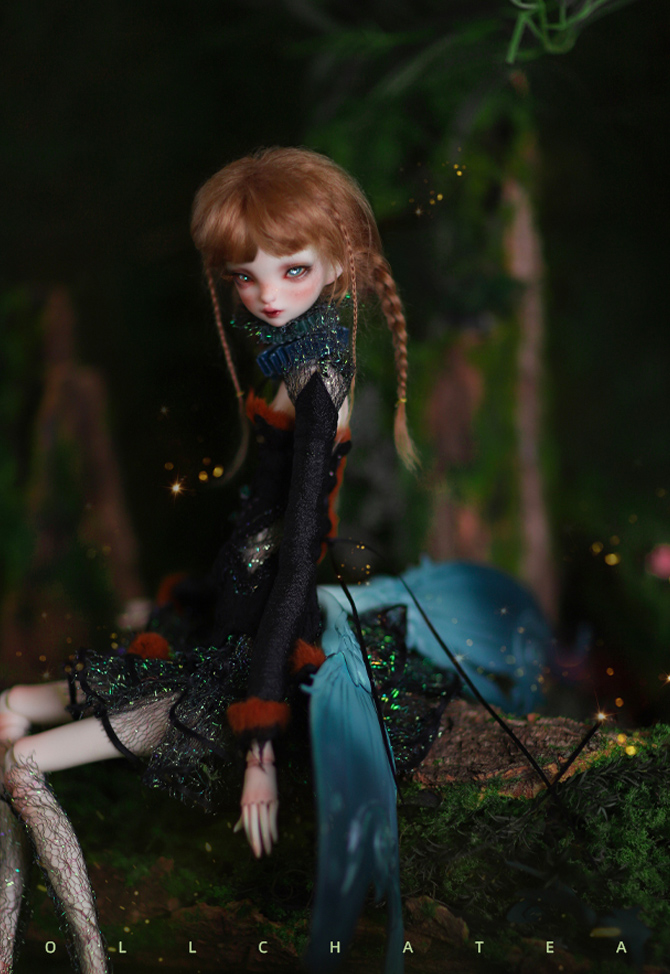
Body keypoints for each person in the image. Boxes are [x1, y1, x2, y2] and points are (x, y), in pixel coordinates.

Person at [0, 148, 550, 974]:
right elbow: (255, 536)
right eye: (245, 276)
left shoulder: (320, 382)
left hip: (251, 655)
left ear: (338, 264)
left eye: (292, 270)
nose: (266, 294)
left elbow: (296, 560)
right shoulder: (287, 362)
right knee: (11, 714)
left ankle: (87, 956)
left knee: (24, 760)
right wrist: (186, 603)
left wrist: (259, 747)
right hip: (219, 619)